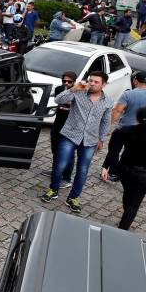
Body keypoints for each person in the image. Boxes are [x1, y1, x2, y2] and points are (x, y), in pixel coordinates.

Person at [40, 70, 112, 213]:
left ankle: (73, 198)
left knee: (83, 170)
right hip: (70, 135)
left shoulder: (108, 101)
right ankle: (53, 189)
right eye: (91, 80)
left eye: (96, 82)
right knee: (60, 165)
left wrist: (101, 139)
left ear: (104, 85)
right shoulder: (78, 92)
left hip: (90, 140)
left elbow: (105, 122)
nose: (92, 83)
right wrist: (73, 89)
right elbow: (58, 100)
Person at [47, 71, 77, 188]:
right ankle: (56, 171)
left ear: (74, 81)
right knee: (55, 149)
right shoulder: (59, 89)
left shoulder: (79, 92)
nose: (66, 83)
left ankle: (66, 177)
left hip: (71, 127)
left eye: (69, 81)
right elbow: (60, 101)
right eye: (64, 81)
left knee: (68, 154)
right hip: (58, 124)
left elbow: (69, 104)